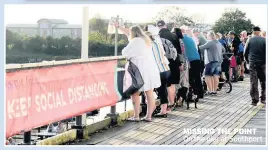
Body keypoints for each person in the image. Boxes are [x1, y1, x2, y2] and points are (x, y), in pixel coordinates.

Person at [117, 24, 161, 121]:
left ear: (133, 33)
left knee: (135, 93)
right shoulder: (147, 40)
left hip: (138, 69)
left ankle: (136, 116)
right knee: (149, 92)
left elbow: (125, 52)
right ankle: (149, 116)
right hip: (150, 68)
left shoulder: (135, 41)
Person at [144, 27, 171, 118]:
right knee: (163, 89)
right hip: (166, 68)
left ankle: (157, 109)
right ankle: (163, 109)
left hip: (158, 70)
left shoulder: (147, 46)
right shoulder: (157, 43)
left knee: (153, 90)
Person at [157, 20, 183, 109]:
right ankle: (172, 102)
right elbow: (179, 51)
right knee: (172, 84)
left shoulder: (157, 36)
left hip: (164, 63)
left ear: (158, 27)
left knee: (165, 84)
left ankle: (167, 103)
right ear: (166, 26)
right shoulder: (174, 35)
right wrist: (180, 63)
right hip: (175, 61)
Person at [244, 26, 266, 106]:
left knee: (254, 82)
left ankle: (254, 101)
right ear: (259, 32)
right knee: (263, 81)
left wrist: (247, 61)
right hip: (262, 64)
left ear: (253, 32)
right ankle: (263, 98)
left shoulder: (249, 40)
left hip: (253, 63)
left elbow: (245, 53)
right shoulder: (264, 40)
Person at [180, 26, 203, 100]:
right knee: (197, 77)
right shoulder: (190, 38)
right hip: (197, 58)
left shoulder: (181, 39)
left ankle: (193, 94)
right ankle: (200, 93)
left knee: (190, 78)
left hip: (190, 60)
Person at [199, 31, 224, 95]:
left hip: (211, 61)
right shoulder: (218, 43)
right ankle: (214, 90)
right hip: (218, 61)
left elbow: (200, 48)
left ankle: (210, 90)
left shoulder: (210, 42)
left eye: (207, 36)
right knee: (215, 76)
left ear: (210, 36)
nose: (207, 37)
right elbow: (223, 50)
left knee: (207, 76)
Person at [172, 27, 189, 107]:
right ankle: (181, 99)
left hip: (181, 63)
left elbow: (180, 53)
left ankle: (179, 99)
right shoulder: (182, 40)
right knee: (183, 82)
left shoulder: (178, 41)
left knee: (178, 82)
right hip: (185, 62)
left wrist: (181, 63)